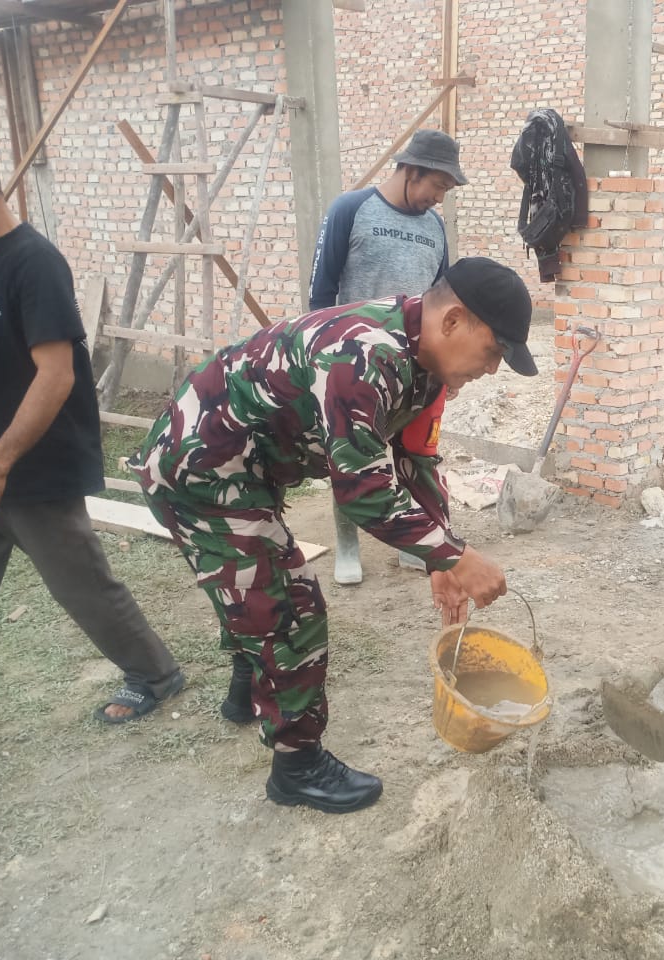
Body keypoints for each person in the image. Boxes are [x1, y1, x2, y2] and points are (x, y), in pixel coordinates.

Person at [130, 256, 537, 814]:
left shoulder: (423, 364)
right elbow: (363, 489)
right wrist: (457, 557)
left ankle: (248, 688)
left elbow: (414, 460)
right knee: (290, 605)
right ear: (452, 321)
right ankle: (297, 767)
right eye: (493, 351)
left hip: (246, 468)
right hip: (199, 468)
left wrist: (440, 555)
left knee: (257, 590)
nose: (491, 369)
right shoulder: (362, 355)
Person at [0, 124, 185, 750]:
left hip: (31, 474)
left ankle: (155, 674)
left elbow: (55, 377)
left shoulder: (33, 263)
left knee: (82, 587)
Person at [308, 128, 467, 586]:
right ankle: (348, 545)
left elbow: (442, 299)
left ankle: (414, 542)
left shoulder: (434, 227)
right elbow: (321, 294)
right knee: (350, 454)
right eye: (438, 185)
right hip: (355, 366)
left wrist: (448, 366)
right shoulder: (350, 209)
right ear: (413, 171)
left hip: (417, 366)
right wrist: (322, 363)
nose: (440, 197)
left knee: (415, 453)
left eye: (447, 189)